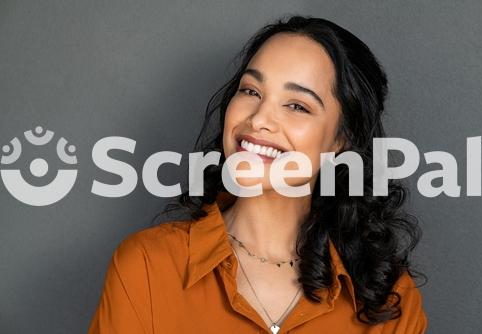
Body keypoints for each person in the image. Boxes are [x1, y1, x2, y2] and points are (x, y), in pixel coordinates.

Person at [88, 15, 428, 334]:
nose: (259, 118)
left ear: (342, 139)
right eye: (251, 91)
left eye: (297, 105)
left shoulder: (391, 298)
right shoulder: (146, 266)